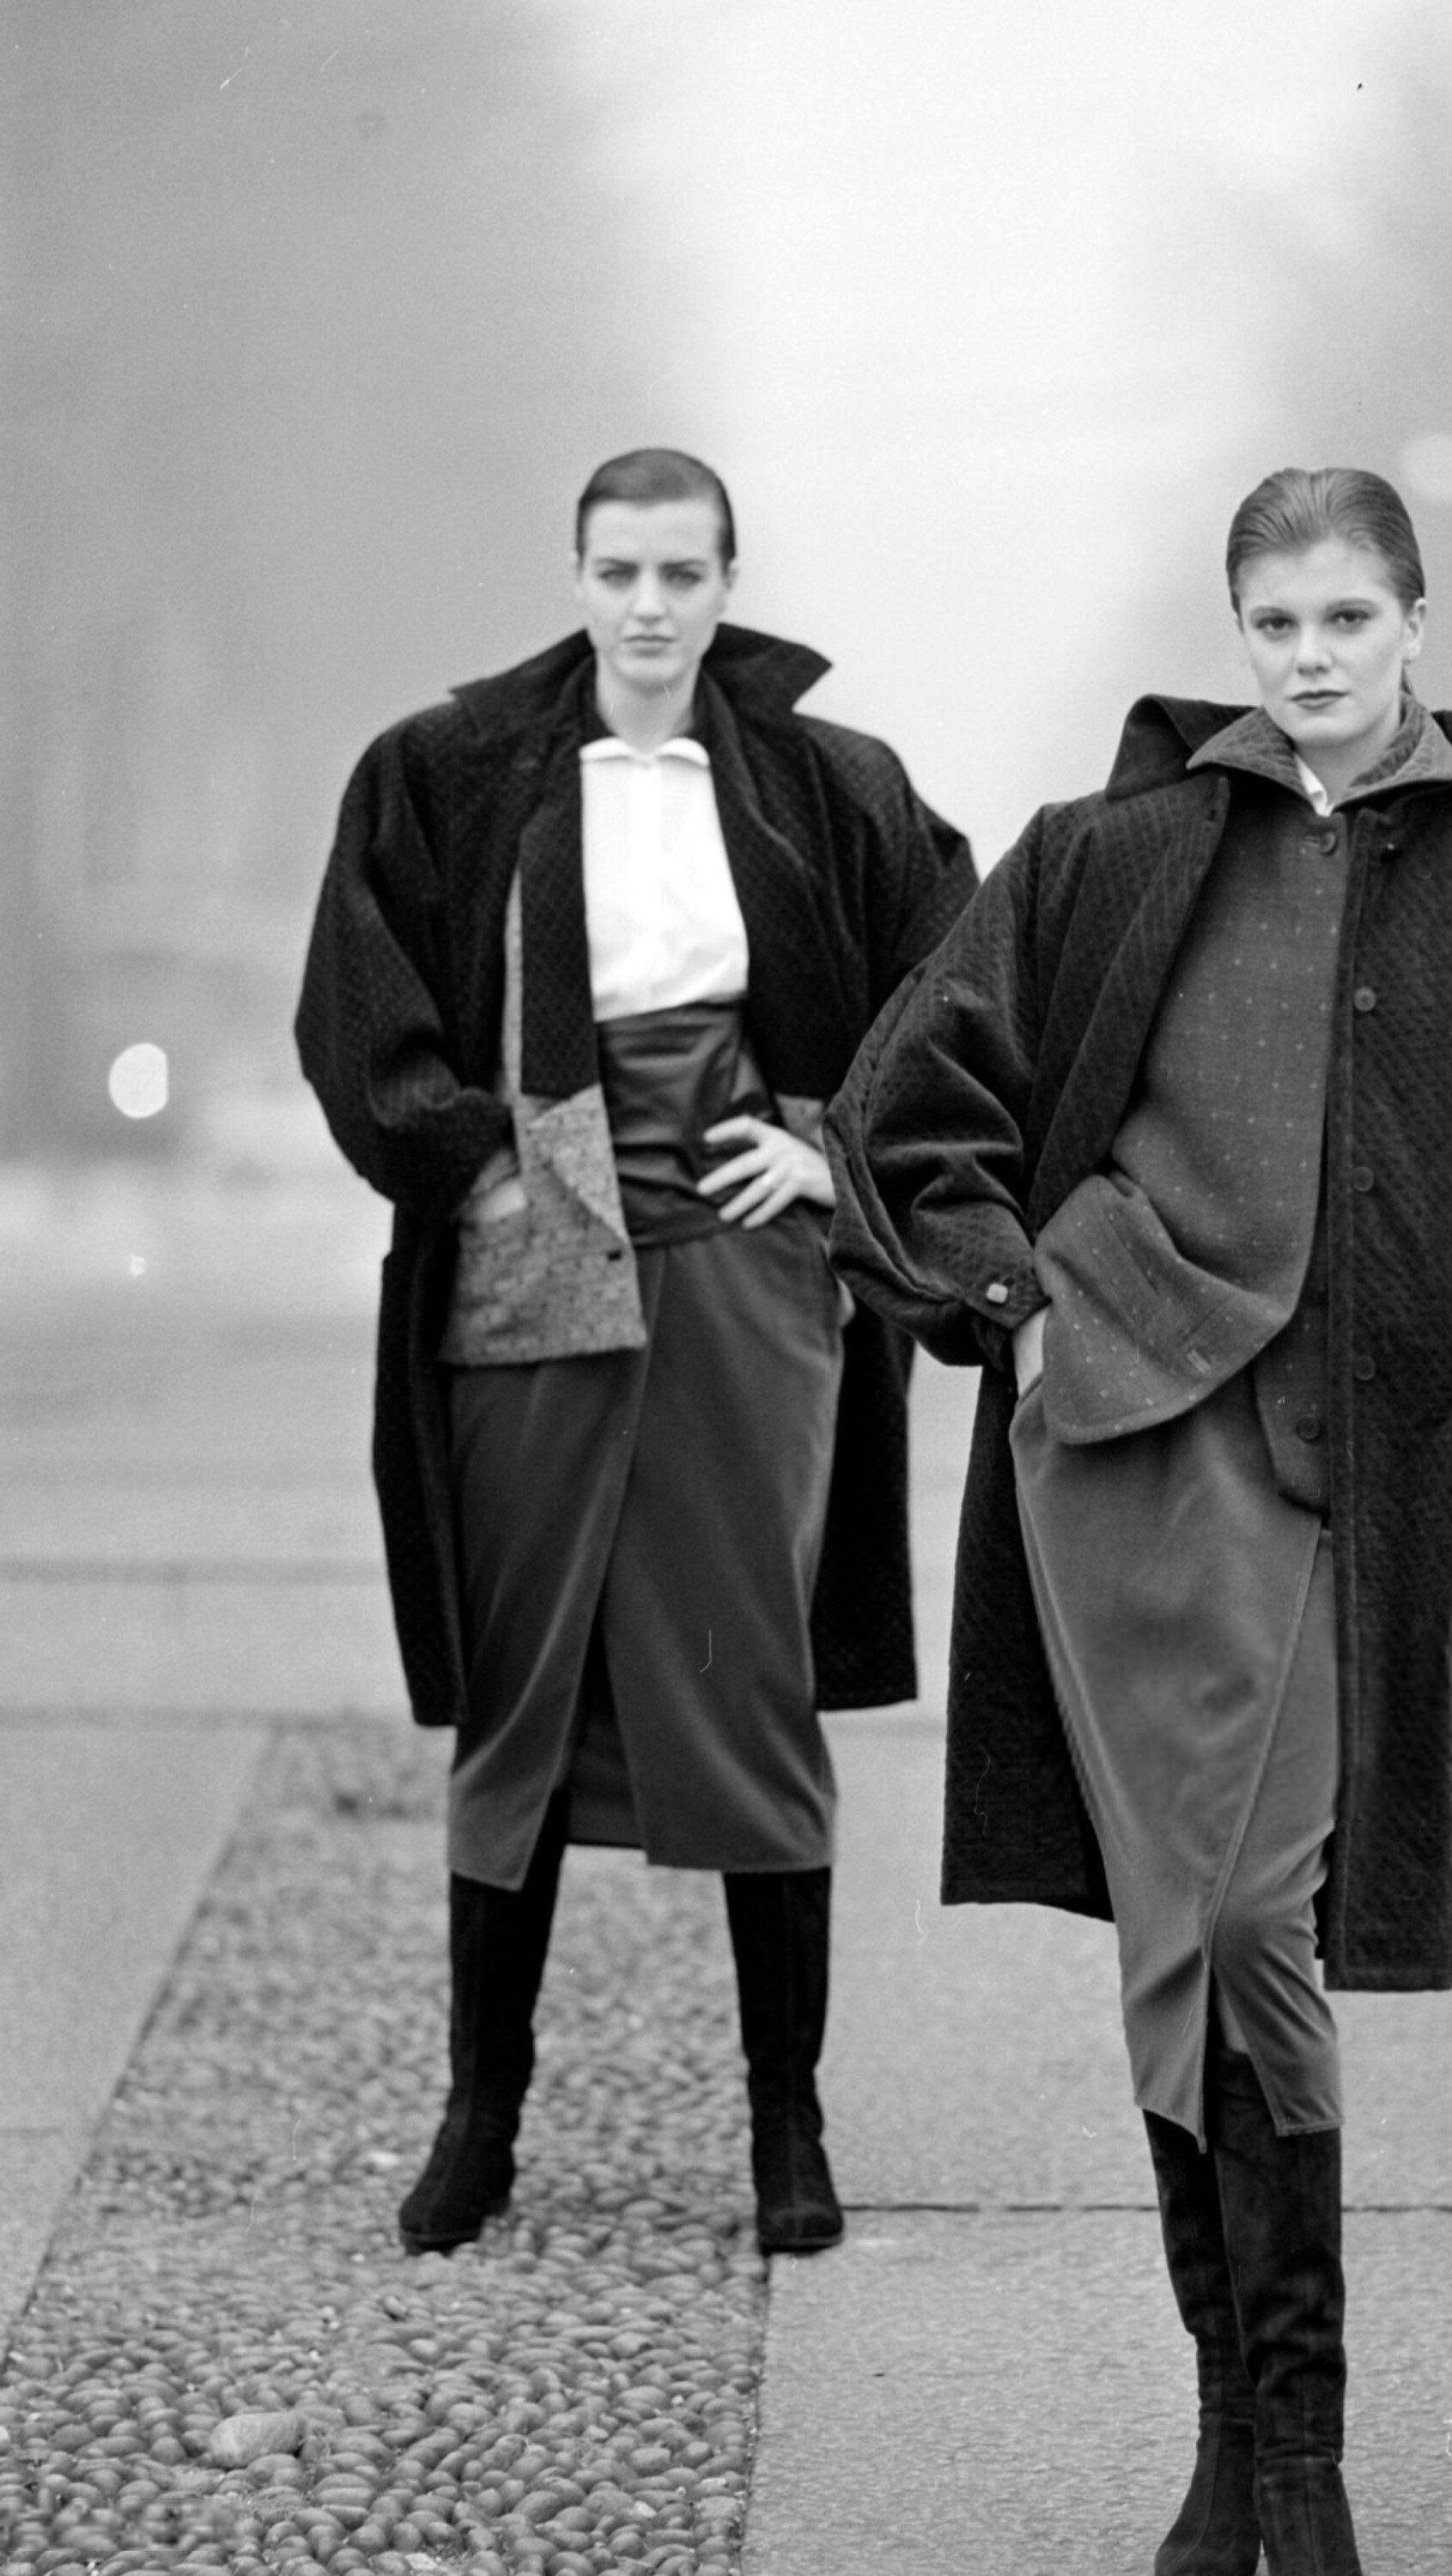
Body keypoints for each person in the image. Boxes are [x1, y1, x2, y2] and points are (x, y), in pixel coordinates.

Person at [825, 466, 1452, 2575]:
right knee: (1189, 1936)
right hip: (1125, 1455)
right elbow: (904, 1111)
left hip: (1377, 1481)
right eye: (1274, 624)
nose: (1310, 658)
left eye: (1345, 618)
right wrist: (1012, 1306)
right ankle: (1249, 2459)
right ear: (1237, 634)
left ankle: (1287, 2451)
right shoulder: (1108, 852)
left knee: (1245, 1924)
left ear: (1415, 620)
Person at [295, 447, 975, 2261]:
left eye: (683, 572)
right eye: (620, 571)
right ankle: (480, 2119)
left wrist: (833, 1153)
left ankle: (786, 2126)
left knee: (749, 1665)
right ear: (578, 577)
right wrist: (471, 1164)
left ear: (728, 580)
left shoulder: (830, 785)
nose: (651, 606)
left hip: (748, 1263)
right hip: (537, 1244)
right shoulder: (449, 770)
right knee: (519, 1672)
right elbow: (358, 999)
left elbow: (960, 983)